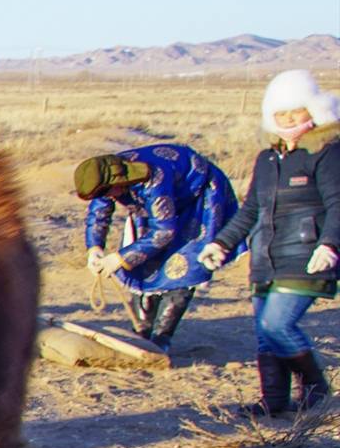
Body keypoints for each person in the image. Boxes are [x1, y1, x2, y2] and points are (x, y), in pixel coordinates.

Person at [199, 70, 339, 415]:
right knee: (265, 335)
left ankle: (317, 389)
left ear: (313, 110)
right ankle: (274, 403)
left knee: (276, 324)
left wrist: (331, 244)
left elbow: (339, 202)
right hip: (264, 257)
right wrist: (221, 243)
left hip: (307, 256)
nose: (290, 119)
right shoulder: (267, 159)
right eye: (282, 114)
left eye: (297, 111)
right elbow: (250, 211)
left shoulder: (327, 153)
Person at [74, 144, 238, 352]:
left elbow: (163, 232)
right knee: (142, 265)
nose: (108, 196)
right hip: (155, 210)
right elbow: (98, 214)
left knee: (182, 266)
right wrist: (95, 248)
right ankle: (141, 333)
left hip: (197, 200)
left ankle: (161, 339)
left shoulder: (154, 179)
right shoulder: (105, 181)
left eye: (107, 192)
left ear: (119, 181)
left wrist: (118, 259)